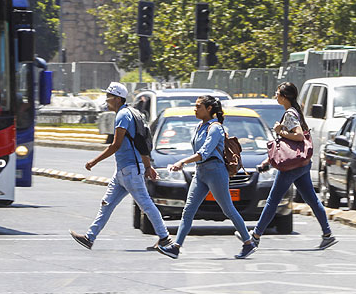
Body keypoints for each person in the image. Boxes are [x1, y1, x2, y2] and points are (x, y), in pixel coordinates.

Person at [70, 82, 173, 251]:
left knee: (146, 205)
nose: (107, 100)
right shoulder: (129, 113)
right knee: (107, 203)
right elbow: (140, 143)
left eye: (109, 97)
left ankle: (165, 238)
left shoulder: (123, 116)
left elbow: (115, 145)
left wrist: (93, 161)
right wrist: (147, 167)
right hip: (123, 172)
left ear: (117, 98)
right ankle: (90, 237)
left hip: (130, 171)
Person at [157, 95, 257, 259]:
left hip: (215, 171)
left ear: (209, 109)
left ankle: (248, 242)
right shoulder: (199, 126)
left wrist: (182, 162)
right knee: (188, 210)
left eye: (198, 106)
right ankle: (176, 247)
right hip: (201, 172)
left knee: (228, 209)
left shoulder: (216, 128)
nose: (195, 109)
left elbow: (204, 152)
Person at [249, 82, 337, 250]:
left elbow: (297, 137)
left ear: (285, 97)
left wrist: (279, 130)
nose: (276, 95)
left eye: (277, 93)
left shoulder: (290, 114)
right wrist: (268, 161)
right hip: (301, 163)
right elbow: (286, 144)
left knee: (272, 201)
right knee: (311, 199)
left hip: (291, 167)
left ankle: (255, 237)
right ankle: (327, 234)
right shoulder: (295, 111)